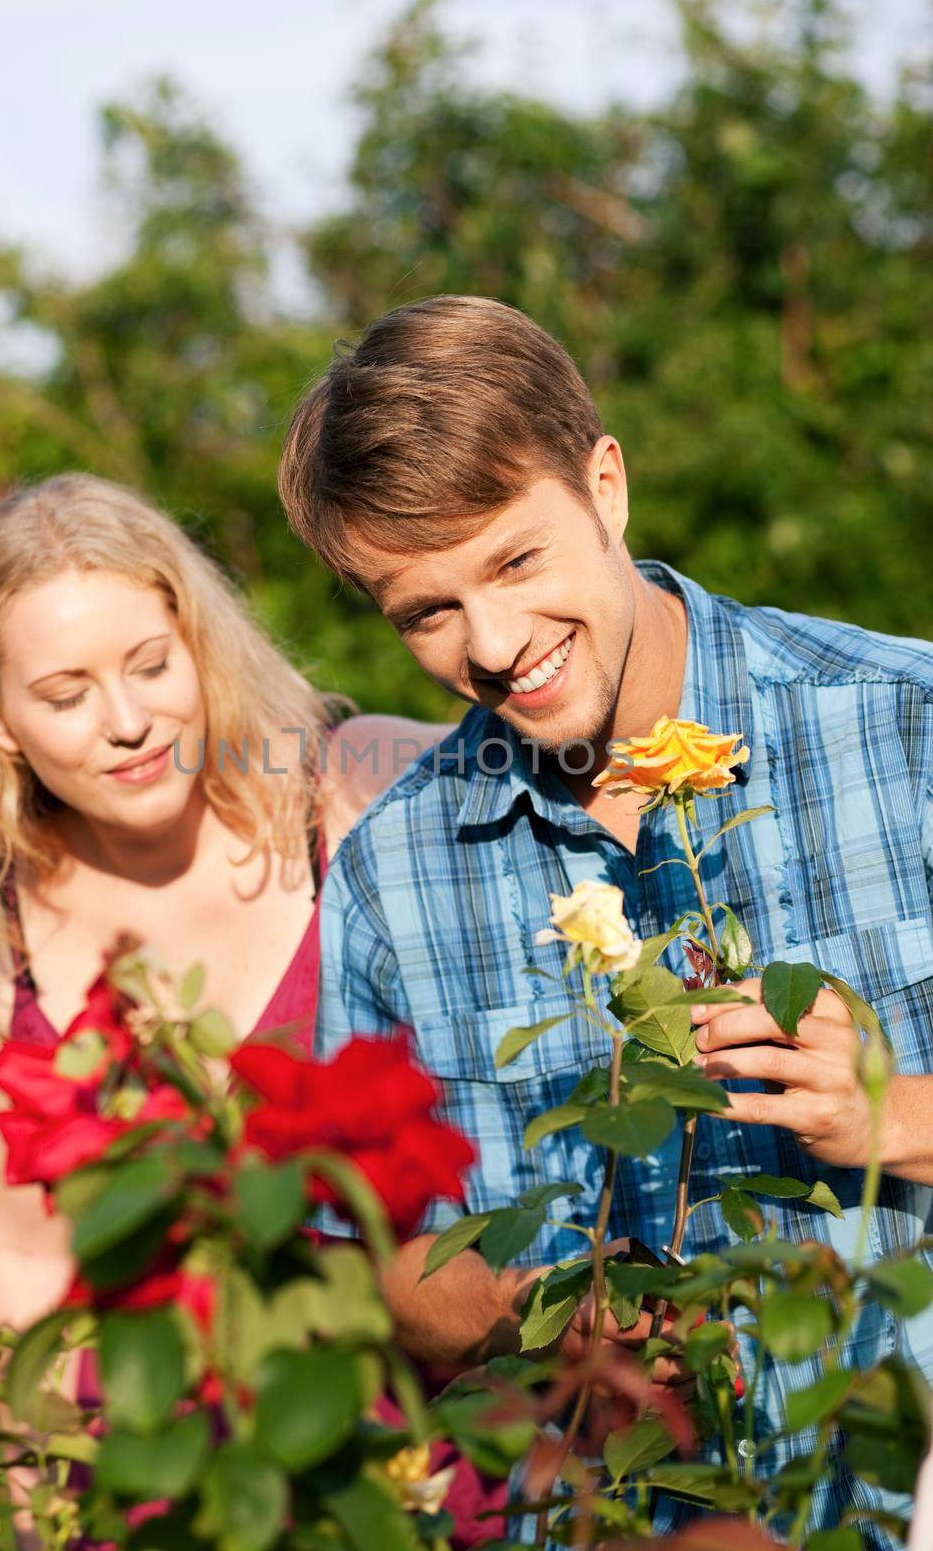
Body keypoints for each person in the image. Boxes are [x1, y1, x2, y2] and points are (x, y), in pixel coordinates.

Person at [277, 294, 933, 1541]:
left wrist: (887, 1112)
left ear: (605, 485)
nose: (495, 642)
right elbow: (367, 1261)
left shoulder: (903, 729)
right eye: (424, 610)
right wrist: (532, 1306)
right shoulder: (394, 876)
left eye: (516, 560)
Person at [0, 472, 449, 1335]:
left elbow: (588, 769)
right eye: (66, 695)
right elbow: (25, 1246)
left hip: (423, 1403)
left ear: (197, 644)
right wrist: (31, 1465)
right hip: (160, 1425)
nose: (127, 720)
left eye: (152, 665)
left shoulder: (350, 787)